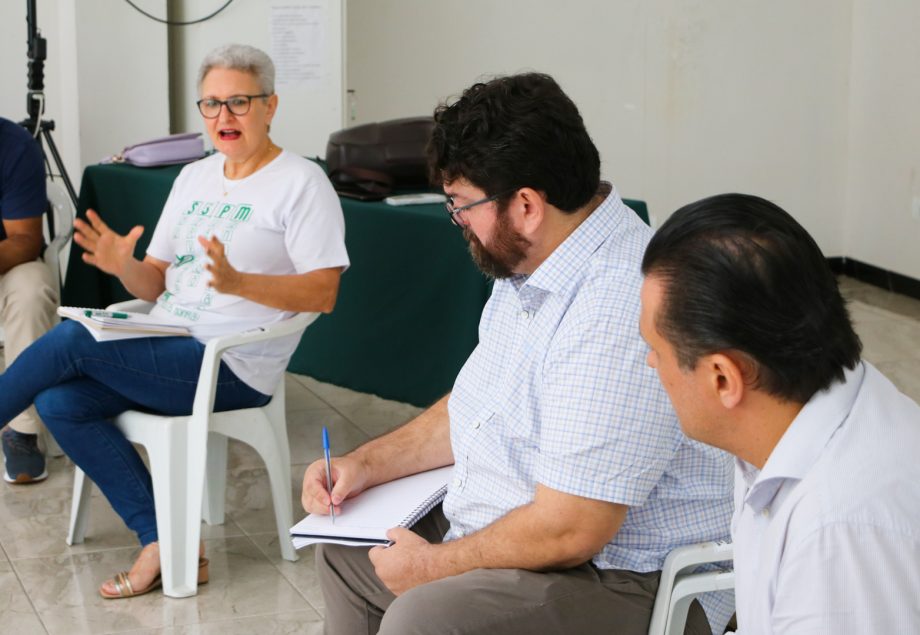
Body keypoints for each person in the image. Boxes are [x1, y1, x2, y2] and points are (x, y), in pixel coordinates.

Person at [302, 73, 734, 635]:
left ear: (526, 205)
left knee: (425, 615)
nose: (457, 222)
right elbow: (480, 404)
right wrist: (365, 465)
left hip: (629, 575)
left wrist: (434, 567)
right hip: (534, 530)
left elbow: (572, 528)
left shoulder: (618, 303)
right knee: (344, 553)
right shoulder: (537, 263)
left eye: (460, 205)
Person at [0, 43, 349, 598]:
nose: (223, 118)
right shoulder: (194, 178)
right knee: (60, 401)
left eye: (238, 102)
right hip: (164, 340)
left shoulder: (302, 184)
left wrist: (239, 284)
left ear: (270, 106)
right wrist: (124, 267)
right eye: (210, 105)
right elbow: (156, 282)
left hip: (228, 362)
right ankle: (162, 542)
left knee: (72, 342)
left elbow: (324, 292)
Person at [639, 193, 920, 633]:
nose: (650, 364)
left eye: (656, 350)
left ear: (723, 379)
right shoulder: (793, 420)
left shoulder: (837, 534)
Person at [0, 116, 58, 484]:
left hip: (6, 265)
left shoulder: (14, 145)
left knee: (34, 289)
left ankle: (22, 432)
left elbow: (25, 239)